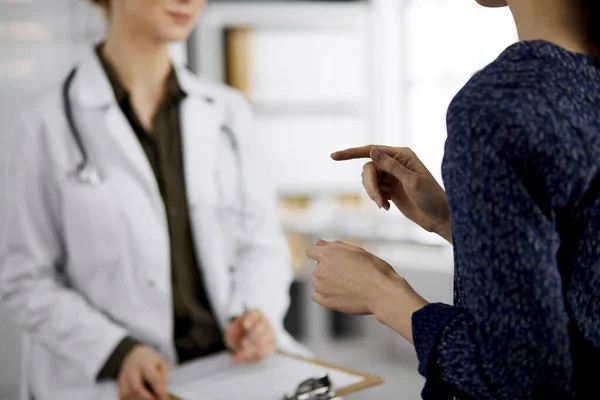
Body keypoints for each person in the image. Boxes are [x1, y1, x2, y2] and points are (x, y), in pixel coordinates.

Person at [0, 1, 307, 399]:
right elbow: (26, 280)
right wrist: (117, 351)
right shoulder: (45, 122)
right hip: (120, 379)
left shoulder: (227, 112)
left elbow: (262, 246)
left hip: (230, 369)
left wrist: (254, 313)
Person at [307, 0, 600, 398]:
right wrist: (450, 220)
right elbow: (580, 278)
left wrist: (382, 292)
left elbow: (521, 379)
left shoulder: (501, 105)